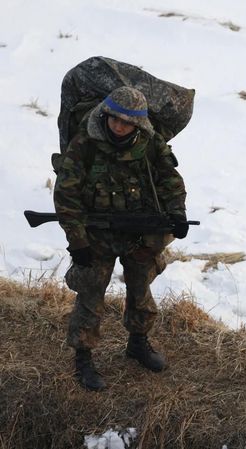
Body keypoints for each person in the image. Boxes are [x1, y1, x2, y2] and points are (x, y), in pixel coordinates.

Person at [54, 86, 188, 391]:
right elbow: (66, 194)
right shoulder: (86, 142)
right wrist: (77, 242)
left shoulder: (150, 143)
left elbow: (170, 180)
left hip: (140, 233)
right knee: (90, 294)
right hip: (96, 234)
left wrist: (177, 213)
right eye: (114, 119)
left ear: (138, 124)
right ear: (106, 114)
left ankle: (138, 342)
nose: (119, 126)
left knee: (141, 288)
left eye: (126, 122)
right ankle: (83, 356)